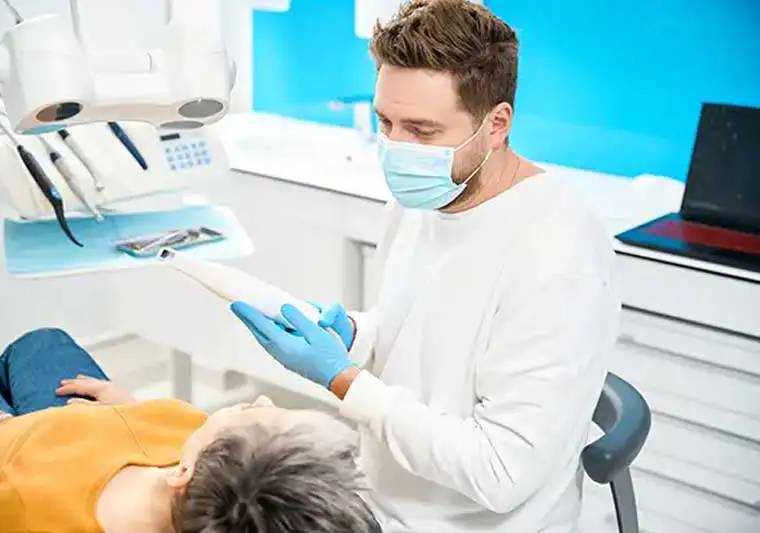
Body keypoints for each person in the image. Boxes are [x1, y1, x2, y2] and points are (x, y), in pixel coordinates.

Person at [229, 1, 621, 531]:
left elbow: (500, 472)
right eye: (384, 121)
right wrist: (354, 336)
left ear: (497, 123)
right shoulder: (425, 196)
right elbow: (418, 336)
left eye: (423, 130)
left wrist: (345, 381)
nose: (397, 148)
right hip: (381, 501)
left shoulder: (556, 251)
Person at [0, 329, 380, 533]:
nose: (263, 400)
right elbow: (183, 433)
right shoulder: (216, 484)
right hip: (90, 419)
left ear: (182, 473)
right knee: (44, 343)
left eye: (261, 418)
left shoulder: (24, 512)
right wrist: (135, 413)